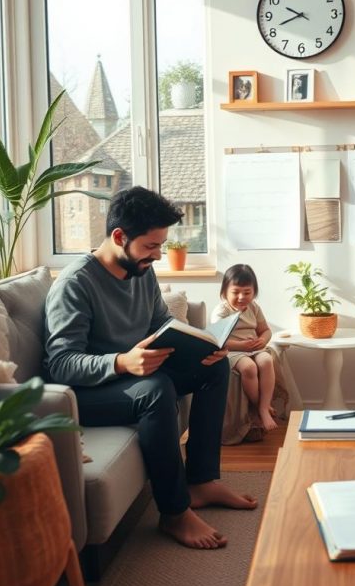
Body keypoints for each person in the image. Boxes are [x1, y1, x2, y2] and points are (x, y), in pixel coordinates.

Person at [44, 186, 257, 551]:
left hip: (132, 375)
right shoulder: (75, 284)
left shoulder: (141, 272)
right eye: (150, 246)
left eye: (161, 245)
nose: (158, 255)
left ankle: (201, 482)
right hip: (84, 394)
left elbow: (161, 325)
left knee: (214, 369)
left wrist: (204, 346)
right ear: (118, 237)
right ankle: (174, 513)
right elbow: (61, 364)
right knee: (155, 389)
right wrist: (122, 361)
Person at [211, 264, 277, 433]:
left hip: (254, 348)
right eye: (236, 292)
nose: (241, 297)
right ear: (225, 292)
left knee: (267, 360)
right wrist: (241, 346)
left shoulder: (254, 308)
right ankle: (259, 407)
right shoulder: (222, 311)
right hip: (232, 351)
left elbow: (266, 330)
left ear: (254, 292)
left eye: (247, 292)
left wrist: (262, 340)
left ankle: (264, 406)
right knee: (249, 367)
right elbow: (218, 340)